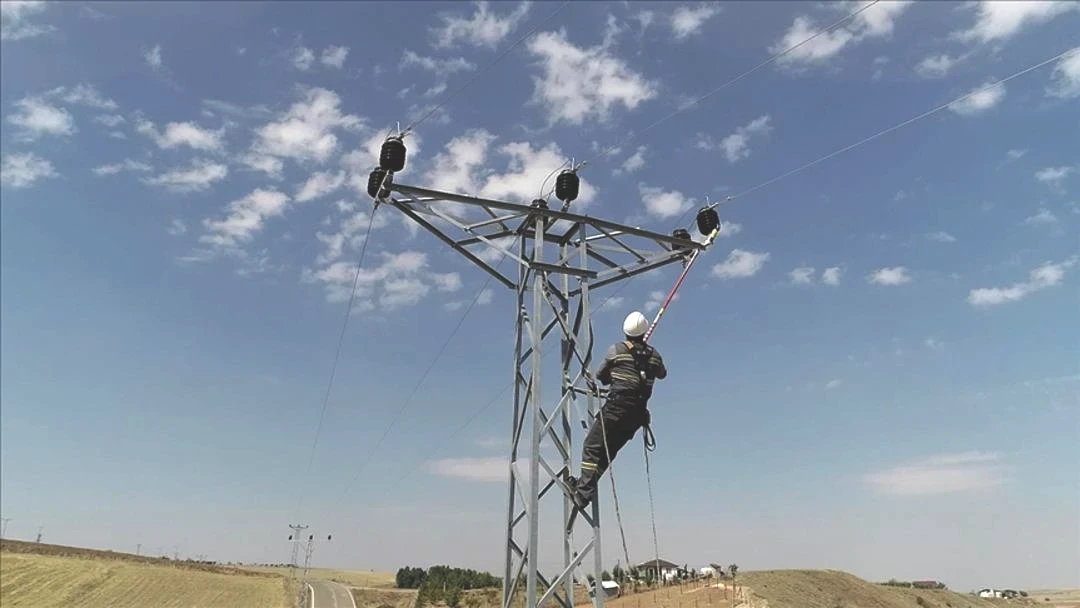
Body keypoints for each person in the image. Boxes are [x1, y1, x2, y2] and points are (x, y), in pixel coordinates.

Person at [567, 311, 667, 510]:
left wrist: (621, 370)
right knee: (607, 452)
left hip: (616, 409)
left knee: (592, 447)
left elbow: (601, 376)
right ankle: (584, 488)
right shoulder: (654, 356)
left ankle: (583, 494)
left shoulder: (617, 350)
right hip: (637, 415)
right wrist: (645, 357)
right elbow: (662, 374)